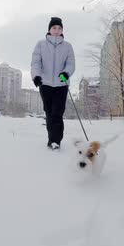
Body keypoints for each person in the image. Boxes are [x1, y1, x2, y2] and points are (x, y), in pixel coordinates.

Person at [30, 17, 75, 150]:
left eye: (59, 28)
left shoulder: (67, 46)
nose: (57, 30)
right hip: (45, 84)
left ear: (62, 30)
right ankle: (51, 138)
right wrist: (36, 76)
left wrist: (66, 73)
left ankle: (56, 141)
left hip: (61, 85)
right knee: (49, 112)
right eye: (54, 28)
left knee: (57, 113)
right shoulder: (41, 44)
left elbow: (71, 63)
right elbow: (36, 62)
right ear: (49, 29)